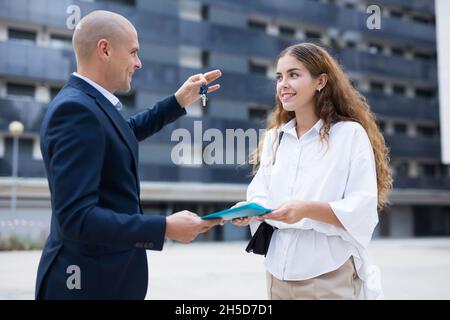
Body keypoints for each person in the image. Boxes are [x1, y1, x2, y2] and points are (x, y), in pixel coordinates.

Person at [35, 10, 222, 299]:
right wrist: (164, 227)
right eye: (133, 52)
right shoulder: (75, 111)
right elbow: (76, 218)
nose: (138, 63)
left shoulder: (90, 104)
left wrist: (178, 101)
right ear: (105, 49)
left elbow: (125, 132)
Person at [232, 43, 392, 300]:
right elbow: (261, 193)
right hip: (277, 274)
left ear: (321, 81)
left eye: (293, 75)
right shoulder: (275, 138)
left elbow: (362, 206)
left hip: (328, 273)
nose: (283, 84)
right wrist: (252, 210)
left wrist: (305, 210)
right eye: (279, 77)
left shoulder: (349, 135)